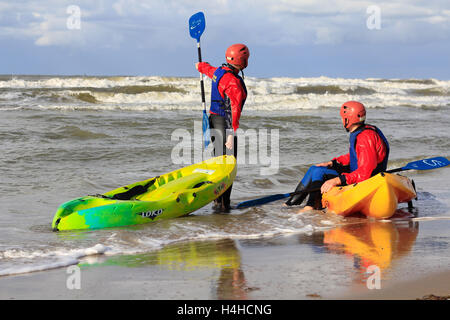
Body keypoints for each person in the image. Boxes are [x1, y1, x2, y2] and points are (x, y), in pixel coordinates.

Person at [285, 101, 390, 213]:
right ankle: (290, 204)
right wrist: (333, 163)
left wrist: (337, 180)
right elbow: (355, 155)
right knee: (314, 168)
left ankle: (310, 207)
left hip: (365, 181)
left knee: (319, 172)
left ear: (347, 119)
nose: (341, 120)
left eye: (342, 117)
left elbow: (365, 173)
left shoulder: (364, 137)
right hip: (357, 174)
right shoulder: (363, 131)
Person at [195, 43, 249, 212]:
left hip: (213, 122)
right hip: (225, 125)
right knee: (228, 166)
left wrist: (200, 66)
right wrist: (231, 134)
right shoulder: (233, 82)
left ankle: (217, 203)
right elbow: (235, 111)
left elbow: (208, 70)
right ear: (243, 61)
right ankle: (224, 206)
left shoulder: (219, 72)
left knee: (220, 164)